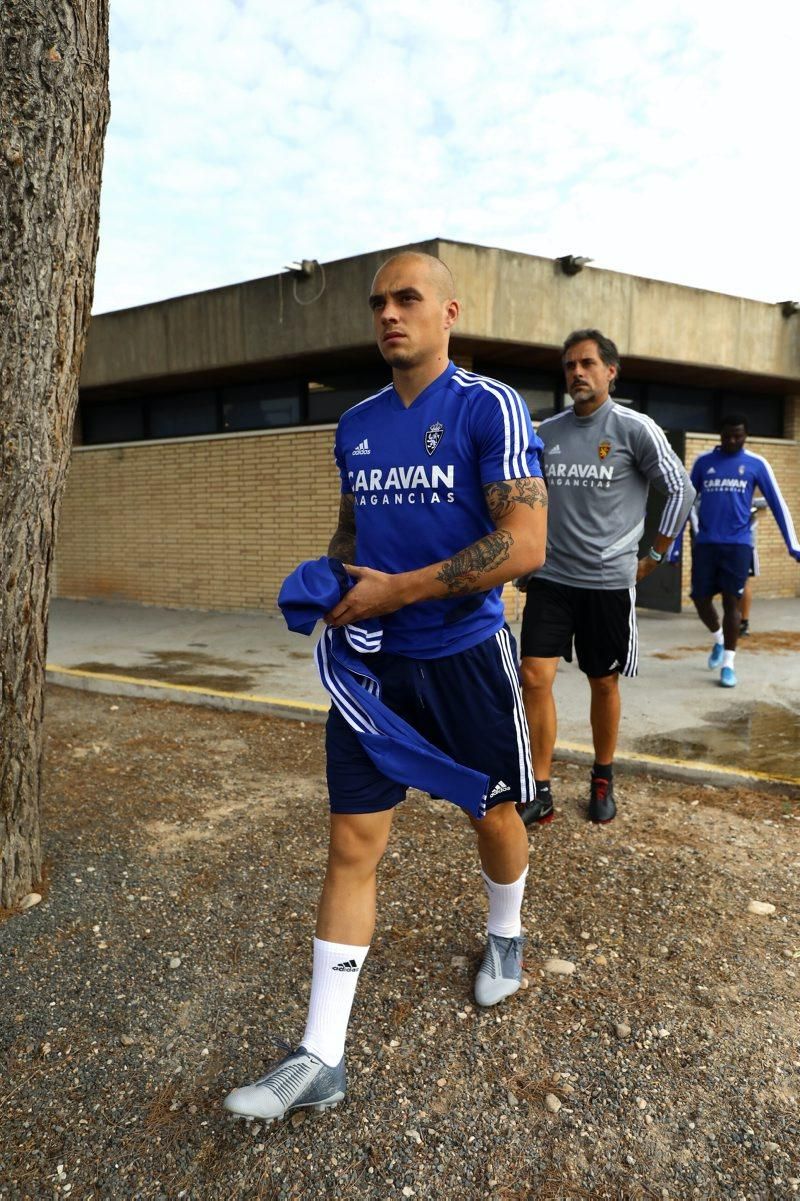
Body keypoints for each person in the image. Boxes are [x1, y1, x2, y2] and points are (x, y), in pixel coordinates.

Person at [223, 252, 547, 1123]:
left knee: (496, 815)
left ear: (448, 312)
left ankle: (506, 935)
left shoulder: (490, 407)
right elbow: (351, 529)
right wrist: (328, 581)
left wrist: (401, 588)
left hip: (466, 661)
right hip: (375, 665)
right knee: (353, 842)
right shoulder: (357, 423)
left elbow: (523, 545)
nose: (390, 315)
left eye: (408, 299)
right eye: (379, 303)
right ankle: (320, 1053)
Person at [519, 330, 694, 825]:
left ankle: (602, 776)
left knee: (603, 682)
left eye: (588, 363)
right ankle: (541, 786)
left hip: (607, 584)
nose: (577, 372)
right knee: (534, 677)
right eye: (570, 364)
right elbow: (526, 497)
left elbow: (680, 492)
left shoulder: (635, 428)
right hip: (551, 579)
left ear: (610, 372)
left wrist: (656, 555)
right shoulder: (546, 433)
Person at [689, 416, 800, 686]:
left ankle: (728, 663)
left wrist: (793, 545)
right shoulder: (703, 463)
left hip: (738, 545)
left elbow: (777, 503)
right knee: (700, 599)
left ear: (746, 435)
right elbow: (685, 502)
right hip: (705, 544)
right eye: (727, 436)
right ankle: (718, 639)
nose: (732, 441)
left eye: (738, 436)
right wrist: (672, 548)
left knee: (732, 603)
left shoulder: (756, 464)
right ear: (720, 435)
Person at [739, 498, 767, 636]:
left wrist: (748, 500)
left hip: (746, 544)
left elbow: (765, 502)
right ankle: (733, 618)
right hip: (724, 542)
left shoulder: (752, 481)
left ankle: (744, 622)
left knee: (744, 582)